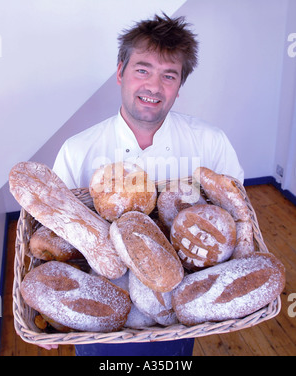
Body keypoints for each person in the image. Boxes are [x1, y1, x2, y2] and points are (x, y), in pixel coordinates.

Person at [50, 13, 244, 356]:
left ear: (179, 86)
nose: (154, 86)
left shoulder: (210, 144)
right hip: (100, 324)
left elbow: (238, 219)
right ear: (120, 72)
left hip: (175, 320)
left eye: (168, 75)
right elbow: (57, 233)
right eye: (143, 70)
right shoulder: (78, 150)